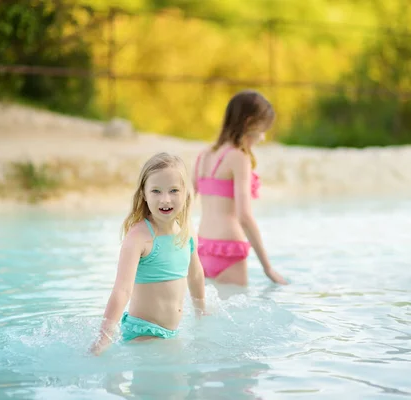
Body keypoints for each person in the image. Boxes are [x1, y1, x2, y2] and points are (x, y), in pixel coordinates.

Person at [91, 152, 206, 356]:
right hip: (143, 333)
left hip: (171, 333)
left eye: (173, 191)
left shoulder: (187, 231)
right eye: (156, 191)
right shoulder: (139, 237)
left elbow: (195, 275)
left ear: (185, 193)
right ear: (143, 194)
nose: (165, 199)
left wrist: (201, 311)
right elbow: (122, 290)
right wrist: (105, 336)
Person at [193, 89, 288, 286]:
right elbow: (244, 216)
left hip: (202, 247)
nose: (262, 137)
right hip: (229, 249)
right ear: (249, 122)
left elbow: (184, 204)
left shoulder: (204, 156)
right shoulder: (238, 157)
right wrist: (267, 268)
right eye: (262, 129)